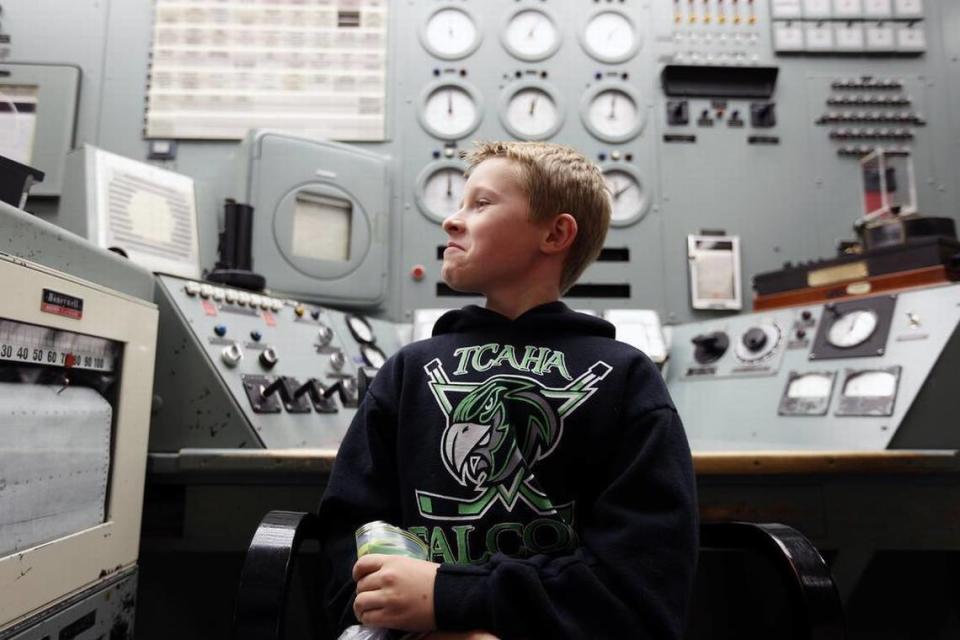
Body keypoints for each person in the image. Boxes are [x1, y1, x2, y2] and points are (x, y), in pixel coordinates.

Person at [317, 141, 698, 639]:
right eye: (458, 204)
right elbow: (350, 529)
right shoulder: (409, 369)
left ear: (556, 233)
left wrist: (451, 599)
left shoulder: (624, 376)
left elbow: (642, 580)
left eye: (481, 204)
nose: (452, 221)